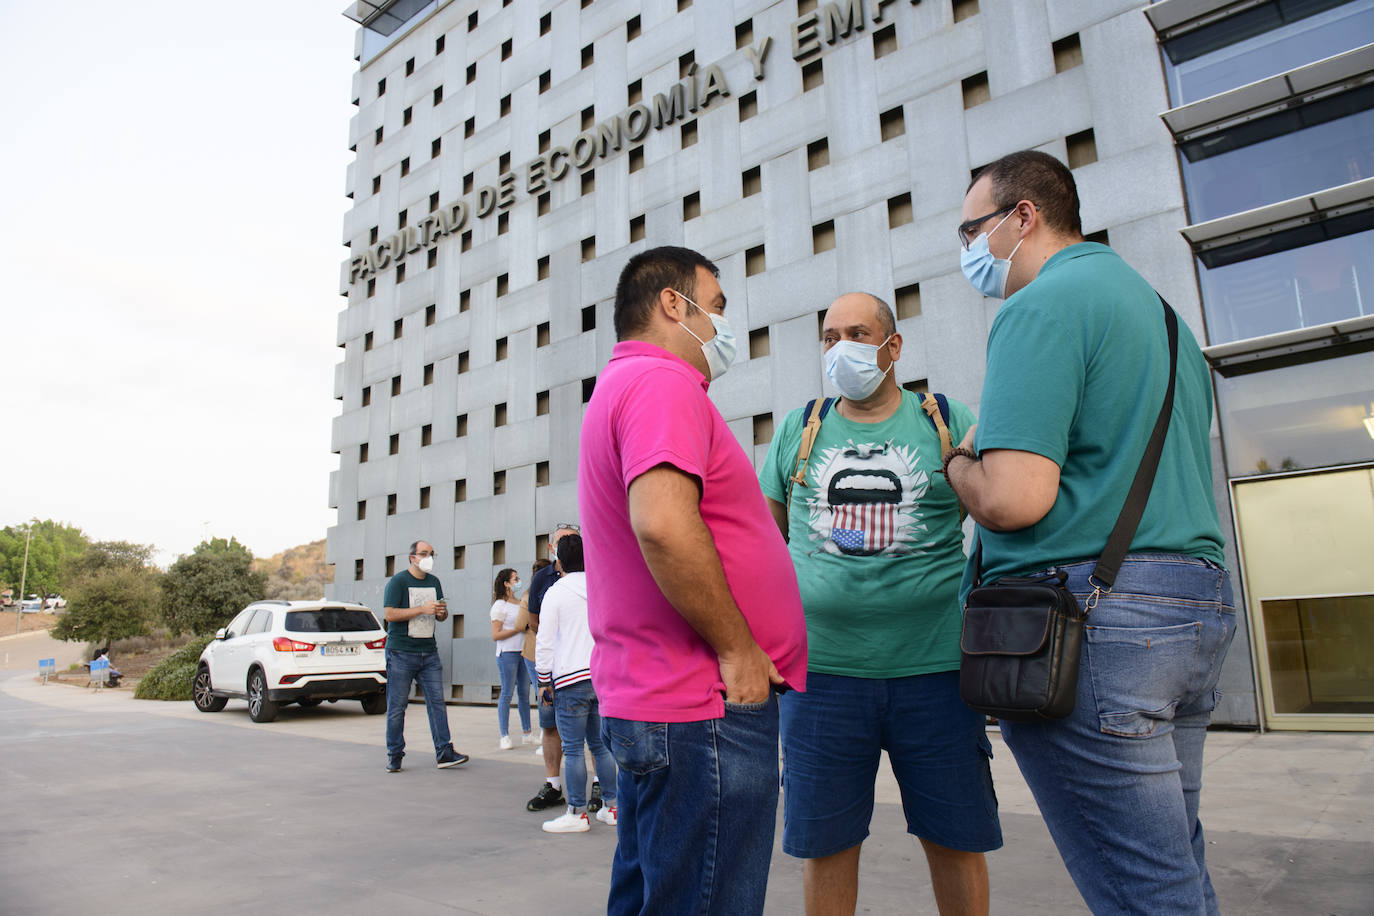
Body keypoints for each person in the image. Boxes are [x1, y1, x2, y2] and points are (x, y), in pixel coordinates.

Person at [947, 150, 1235, 914]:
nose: (968, 251)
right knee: (1172, 867)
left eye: (972, 230)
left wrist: (955, 461)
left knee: (1142, 891)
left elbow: (1011, 500)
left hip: (1092, 622)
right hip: (1190, 608)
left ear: (1023, 218)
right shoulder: (1163, 319)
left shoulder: (1041, 305)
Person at [579, 245, 808, 915]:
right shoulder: (661, 381)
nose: (722, 325)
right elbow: (664, 525)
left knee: (657, 892)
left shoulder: (626, 385)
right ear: (672, 305)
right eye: (717, 306)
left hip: (665, 703)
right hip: (701, 704)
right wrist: (739, 650)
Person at [759, 292, 1001, 916]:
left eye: (857, 333)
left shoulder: (944, 419)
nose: (840, 348)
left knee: (955, 840)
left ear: (892, 348)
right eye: (830, 335)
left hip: (939, 673)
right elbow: (762, 539)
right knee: (827, 846)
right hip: (823, 680)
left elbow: (998, 512)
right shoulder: (799, 428)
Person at [534, 533, 618, 833]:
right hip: (601, 676)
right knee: (601, 746)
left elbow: (544, 642)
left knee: (572, 749)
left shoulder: (556, 592)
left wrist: (544, 681)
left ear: (559, 561)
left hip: (569, 680)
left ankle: (576, 812)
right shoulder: (601, 587)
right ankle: (612, 806)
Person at [381, 540, 469, 772]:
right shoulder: (398, 582)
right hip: (401, 652)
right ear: (412, 558)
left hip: (429, 653)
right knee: (397, 707)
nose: (428, 557)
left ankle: (444, 752)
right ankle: (394, 754)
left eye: (431, 553)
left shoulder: (434, 582)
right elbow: (389, 614)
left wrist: (442, 612)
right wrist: (421, 609)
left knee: (437, 703)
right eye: (423, 553)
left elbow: (440, 614)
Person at [523, 524, 582, 813]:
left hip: (581, 669)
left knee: (593, 734)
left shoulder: (591, 577)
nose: (568, 544)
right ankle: (553, 785)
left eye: (573, 540)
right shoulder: (542, 580)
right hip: (550, 668)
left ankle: (596, 788)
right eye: (563, 541)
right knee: (550, 726)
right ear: (551, 548)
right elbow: (534, 622)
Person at [490, 567, 533, 750]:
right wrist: (518, 628)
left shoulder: (520, 602)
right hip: (507, 652)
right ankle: (504, 735)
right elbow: (496, 634)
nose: (518, 582)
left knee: (524, 693)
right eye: (515, 579)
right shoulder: (500, 605)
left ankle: (527, 733)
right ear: (506, 583)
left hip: (522, 651)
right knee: (507, 693)